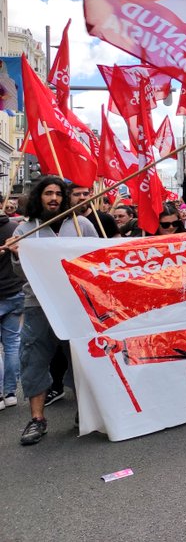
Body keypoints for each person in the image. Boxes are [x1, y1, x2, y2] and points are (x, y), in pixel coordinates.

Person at [7, 176, 97, 445]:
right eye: (48, 193)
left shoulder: (83, 226)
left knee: (82, 360)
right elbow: (20, 273)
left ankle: (86, 413)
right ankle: (37, 419)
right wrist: (16, 254)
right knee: (34, 360)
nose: (54, 198)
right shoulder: (23, 230)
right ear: (39, 197)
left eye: (59, 193)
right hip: (38, 305)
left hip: (76, 305)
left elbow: (97, 262)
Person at [0, 206, 22, 412]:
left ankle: (1, 393)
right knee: (12, 343)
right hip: (15, 292)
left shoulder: (16, 228)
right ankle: (10, 392)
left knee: (10, 344)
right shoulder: (16, 228)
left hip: (8, 293)